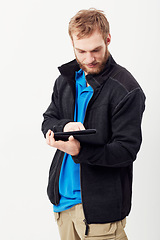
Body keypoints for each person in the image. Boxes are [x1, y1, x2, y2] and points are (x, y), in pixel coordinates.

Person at [41, 8, 145, 240]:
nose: (89, 59)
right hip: (63, 207)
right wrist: (65, 126)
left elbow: (126, 150)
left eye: (96, 50)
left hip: (101, 213)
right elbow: (48, 120)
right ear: (72, 44)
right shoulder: (65, 80)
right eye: (82, 51)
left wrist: (80, 150)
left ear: (108, 39)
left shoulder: (127, 89)